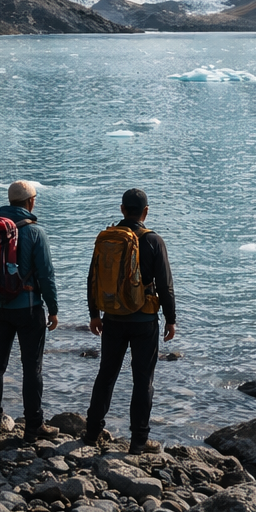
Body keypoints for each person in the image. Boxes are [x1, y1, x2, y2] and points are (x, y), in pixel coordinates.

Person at [84, 187, 176, 454]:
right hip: (144, 321)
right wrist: (171, 319)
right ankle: (138, 441)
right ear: (146, 212)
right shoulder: (153, 240)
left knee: (106, 375)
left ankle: (91, 433)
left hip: (112, 318)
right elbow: (165, 285)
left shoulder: (107, 238)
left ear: (122, 209)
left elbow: (93, 279)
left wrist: (94, 314)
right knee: (142, 380)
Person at [0, 180, 59, 440]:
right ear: (30, 202)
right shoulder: (35, 232)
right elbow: (46, 275)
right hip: (28, 309)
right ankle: (33, 425)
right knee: (31, 368)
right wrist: (53, 309)